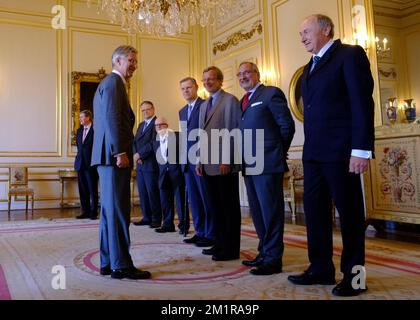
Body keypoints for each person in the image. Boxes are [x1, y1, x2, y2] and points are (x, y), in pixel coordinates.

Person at [287, 14, 374, 296]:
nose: (301, 37)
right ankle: (321, 268)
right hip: (313, 154)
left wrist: (360, 149)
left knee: (350, 217)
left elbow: (362, 103)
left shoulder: (349, 55)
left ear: (325, 29)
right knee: (315, 214)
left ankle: (355, 278)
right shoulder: (308, 67)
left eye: (306, 31)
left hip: (342, 152)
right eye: (300, 33)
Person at [91, 45, 151, 280]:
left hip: (105, 157)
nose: (134, 65)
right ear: (117, 61)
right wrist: (119, 152)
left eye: (136, 61)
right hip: (113, 157)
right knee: (118, 211)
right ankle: (121, 265)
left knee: (109, 211)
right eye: (131, 60)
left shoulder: (106, 84)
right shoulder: (115, 83)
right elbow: (113, 118)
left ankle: (108, 262)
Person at [237, 62, 295, 275]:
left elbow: (287, 126)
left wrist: (277, 152)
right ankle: (264, 251)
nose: (243, 77)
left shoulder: (271, 93)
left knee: (271, 212)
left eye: (247, 73)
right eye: (239, 74)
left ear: (257, 74)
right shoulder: (243, 101)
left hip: (268, 164)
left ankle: (273, 259)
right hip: (249, 165)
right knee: (258, 212)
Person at [196, 66, 242, 261]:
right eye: (205, 79)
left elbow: (233, 132)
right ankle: (219, 243)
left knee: (228, 208)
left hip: (223, 165)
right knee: (214, 208)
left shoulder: (229, 100)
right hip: (206, 165)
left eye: (211, 79)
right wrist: (198, 160)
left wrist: (227, 159)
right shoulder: (204, 104)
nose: (207, 82)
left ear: (220, 81)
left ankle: (230, 249)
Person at [178, 77, 214, 242]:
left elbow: (206, 135)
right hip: (187, 162)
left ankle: (210, 233)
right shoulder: (182, 111)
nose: (186, 91)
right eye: (183, 89)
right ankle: (199, 232)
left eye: (188, 87)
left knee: (206, 198)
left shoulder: (206, 105)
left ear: (196, 88)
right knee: (194, 200)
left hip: (201, 160)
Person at [152, 117, 186, 234]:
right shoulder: (155, 141)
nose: (159, 127)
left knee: (180, 200)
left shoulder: (178, 136)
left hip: (177, 174)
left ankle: (183, 226)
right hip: (163, 175)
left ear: (167, 125)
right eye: (157, 125)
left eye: (162, 124)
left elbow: (184, 154)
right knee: (165, 201)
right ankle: (167, 225)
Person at [132, 101, 162, 228]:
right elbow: (134, 142)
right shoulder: (141, 125)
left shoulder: (157, 123)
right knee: (143, 193)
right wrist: (135, 155)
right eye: (143, 110)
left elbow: (153, 143)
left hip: (151, 164)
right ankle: (146, 217)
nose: (145, 112)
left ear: (153, 109)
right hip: (140, 165)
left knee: (152, 193)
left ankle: (156, 219)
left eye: (148, 109)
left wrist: (140, 154)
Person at [74, 110, 99, 220]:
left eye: (82, 117)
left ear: (88, 118)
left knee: (92, 189)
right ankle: (85, 211)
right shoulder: (79, 131)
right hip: (80, 164)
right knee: (83, 189)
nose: (80, 119)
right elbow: (79, 148)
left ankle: (94, 212)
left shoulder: (96, 130)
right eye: (79, 117)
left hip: (91, 164)